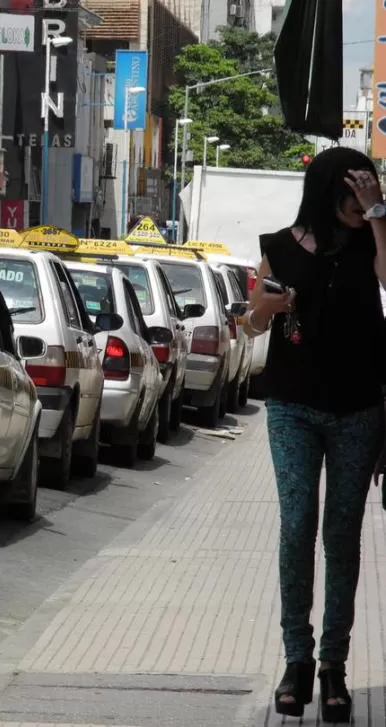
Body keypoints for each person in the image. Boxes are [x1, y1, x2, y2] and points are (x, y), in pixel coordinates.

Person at [242, 146, 386, 723]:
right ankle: (296, 660)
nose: (363, 200)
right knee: (298, 523)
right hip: (293, 406)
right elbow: (250, 320)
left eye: (371, 189)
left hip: (359, 409)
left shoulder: (374, 239)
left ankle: (334, 668)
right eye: (355, 191)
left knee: (342, 536)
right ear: (329, 190)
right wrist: (266, 310)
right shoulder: (278, 246)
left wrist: (380, 215)